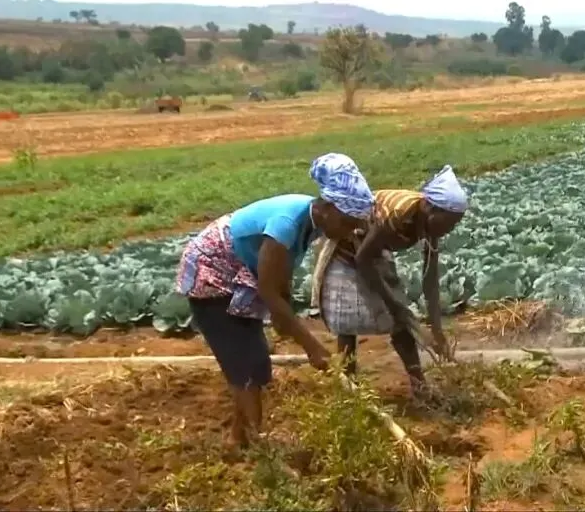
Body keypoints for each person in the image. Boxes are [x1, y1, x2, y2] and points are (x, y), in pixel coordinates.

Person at [175, 152, 375, 448]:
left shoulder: (312, 222)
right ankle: (259, 449)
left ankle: (239, 440)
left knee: (254, 361)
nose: (347, 231)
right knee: (246, 364)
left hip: (240, 273)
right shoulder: (287, 223)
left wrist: (286, 311)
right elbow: (268, 290)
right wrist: (312, 347)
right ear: (328, 209)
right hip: (213, 274)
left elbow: (281, 272)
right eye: (346, 223)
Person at [311, 164, 468, 397]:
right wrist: (394, 305)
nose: (451, 228)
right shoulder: (398, 213)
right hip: (348, 243)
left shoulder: (430, 223)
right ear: (430, 209)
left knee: (400, 321)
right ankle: (349, 389)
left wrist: (437, 331)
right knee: (348, 319)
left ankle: (419, 385)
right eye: (450, 222)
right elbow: (363, 258)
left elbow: (430, 278)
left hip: (373, 249)